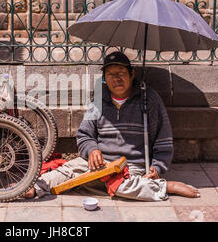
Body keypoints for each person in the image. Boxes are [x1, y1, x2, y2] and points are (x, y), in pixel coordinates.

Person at [23, 51, 200, 200]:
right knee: (66, 171)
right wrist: (92, 150)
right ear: (105, 79)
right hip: (98, 163)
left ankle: (165, 187)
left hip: (131, 165)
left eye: (121, 73)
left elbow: (163, 138)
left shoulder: (149, 100)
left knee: (122, 186)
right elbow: (85, 135)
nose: (116, 79)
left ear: (132, 74)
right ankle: (34, 188)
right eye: (110, 74)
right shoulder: (99, 100)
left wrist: (158, 167)